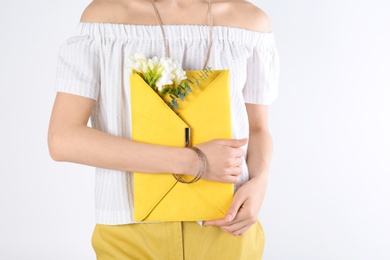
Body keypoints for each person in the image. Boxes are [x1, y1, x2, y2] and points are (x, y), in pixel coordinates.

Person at [48, 0, 280, 258]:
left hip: (226, 224)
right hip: (129, 231)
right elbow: (63, 138)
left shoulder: (248, 22)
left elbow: (258, 128)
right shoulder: (105, 19)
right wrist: (194, 162)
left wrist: (260, 182)